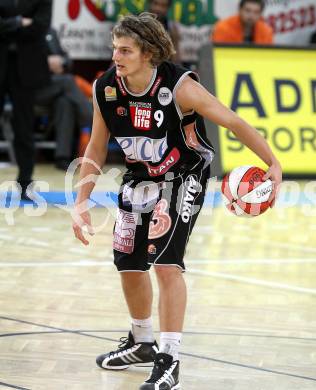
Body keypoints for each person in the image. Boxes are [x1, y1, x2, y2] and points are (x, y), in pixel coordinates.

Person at [72, 13, 282, 390]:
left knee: (166, 264)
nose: (115, 57)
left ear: (149, 53)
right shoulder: (106, 87)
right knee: (128, 261)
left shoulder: (179, 87)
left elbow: (232, 121)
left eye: (125, 50)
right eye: (114, 48)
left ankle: (170, 359)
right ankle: (142, 342)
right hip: (140, 176)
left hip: (183, 174)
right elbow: (97, 146)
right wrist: (80, 201)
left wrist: (273, 163)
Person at [0, 0, 52, 199]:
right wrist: (19, 22)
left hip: (26, 68)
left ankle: (25, 183)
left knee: (24, 127)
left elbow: (40, 26)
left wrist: (7, 25)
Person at [35, 27, 93, 170]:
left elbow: (67, 58)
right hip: (31, 88)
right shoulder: (23, 31)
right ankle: (92, 118)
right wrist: (45, 63)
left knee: (65, 102)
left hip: (54, 87)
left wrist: (62, 63)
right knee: (68, 81)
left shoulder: (50, 32)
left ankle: (62, 157)